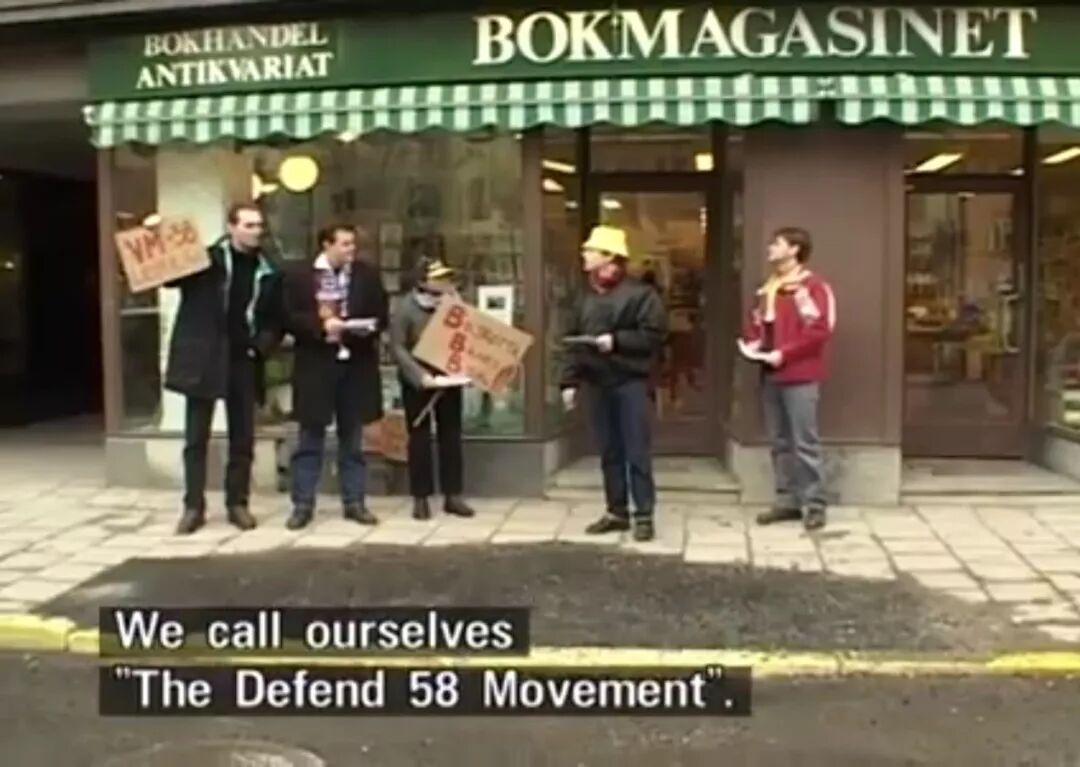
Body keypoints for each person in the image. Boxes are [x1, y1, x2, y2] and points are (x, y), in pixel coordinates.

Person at [165, 202, 282, 535]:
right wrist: (160, 243)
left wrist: (260, 346)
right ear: (231, 227)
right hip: (205, 357)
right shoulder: (206, 260)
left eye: (259, 225)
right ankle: (193, 507)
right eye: (248, 225)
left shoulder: (268, 268)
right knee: (196, 437)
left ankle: (237, 503)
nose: (256, 231)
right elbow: (168, 278)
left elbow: (275, 318)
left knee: (242, 437)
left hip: (243, 358)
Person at [560, 225, 667, 542]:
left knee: (636, 450)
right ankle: (616, 511)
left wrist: (617, 341)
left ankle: (644, 515)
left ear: (609, 257)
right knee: (609, 451)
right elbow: (571, 340)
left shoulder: (642, 295)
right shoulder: (583, 295)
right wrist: (569, 381)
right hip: (597, 383)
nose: (584, 254)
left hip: (631, 382)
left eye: (590, 250)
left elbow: (654, 336)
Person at [281, 224, 389, 529]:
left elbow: (382, 313)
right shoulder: (301, 276)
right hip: (316, 365)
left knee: (352, 439)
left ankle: (354, 502)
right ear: (326, 245)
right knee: (310, 439)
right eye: (344, 244)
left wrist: (366, 327)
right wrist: (320, 326)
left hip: (354, 364)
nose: (351, 250)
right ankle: (303, 504)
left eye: (353, 244)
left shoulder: (366, 275)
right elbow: (288, 317)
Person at [741, 227, 836, 531]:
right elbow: (758, 324)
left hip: (800, 375)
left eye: (777, 243)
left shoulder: (810, 287)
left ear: (794, 250)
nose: (770, 248)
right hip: (770, 373)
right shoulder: (768, 288)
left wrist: (785, 353)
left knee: (804, 442)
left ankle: (814, 504)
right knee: (779, 442)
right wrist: (753, 344)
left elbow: (819, 329)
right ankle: (787, 501)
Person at [390, 257, 476, 521]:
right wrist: (420, 376)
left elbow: (468, 335)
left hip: (449, 377)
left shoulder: (454, 304)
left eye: (446, 278)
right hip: (419, 381)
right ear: (422, 281)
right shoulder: (405, 308)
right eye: (438, 278)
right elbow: (397, 347)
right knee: (419, 438)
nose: (444, 282)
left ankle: (453, 494)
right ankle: (421, 497)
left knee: (451, 436)